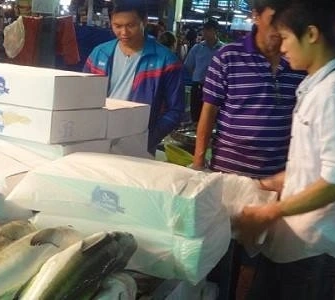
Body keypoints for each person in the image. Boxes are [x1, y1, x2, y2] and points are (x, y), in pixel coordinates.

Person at [235, 0, 335, 298]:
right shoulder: (315, 87)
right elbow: (311, 166)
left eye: (287, 38)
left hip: (314, 247)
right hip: (294, 241)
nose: (282, 48)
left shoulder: (333, 95)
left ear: (312, 34)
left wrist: (270, 211)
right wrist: (266, 184)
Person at [192, 0, 305, 298]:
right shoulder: (228, 57)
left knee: (260, 254)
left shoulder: (297, 63)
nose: (281, 27)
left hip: (275, 176)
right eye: (275, 17)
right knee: (221, 247)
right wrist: (198, 162)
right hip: (228, 173)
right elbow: (208, 113)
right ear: (255, 16)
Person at [84, 0, 184, 153]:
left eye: (131, 25)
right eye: (117, 26)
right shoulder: (99, 54)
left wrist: (147, 138)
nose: (123, 32)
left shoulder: (165, 61)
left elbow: (175, 110)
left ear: (144, 21)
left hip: (138, 144)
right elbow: (83, 96)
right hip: (97, 138)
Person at [183, 19, 223, 124]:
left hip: (216, 89)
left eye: (208, 30)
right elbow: (188, 65)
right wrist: (197, 76)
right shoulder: (197, 48)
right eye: (204, 30)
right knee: (195, 116)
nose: (205, 32)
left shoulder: (223, 49)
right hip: (198, 87)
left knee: (213, 118)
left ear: (216, 31)